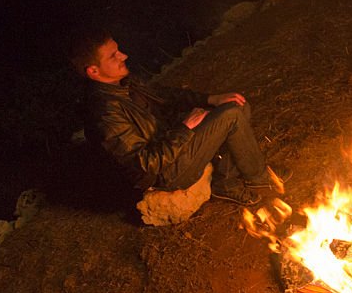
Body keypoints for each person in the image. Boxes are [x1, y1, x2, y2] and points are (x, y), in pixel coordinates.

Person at [69, 30, 282, 206]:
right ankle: (261, 181)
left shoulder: (125, 83)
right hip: (164, 174)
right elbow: (144, 164)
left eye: (118, 51)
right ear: (94, 71)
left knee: (234, 104)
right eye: (113, 56)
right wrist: (184, 128)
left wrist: (211, 99)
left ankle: (226, 183)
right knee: (232, 115)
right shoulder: (104, 113)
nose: (123, 56)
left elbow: (167, 95)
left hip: (171, 143)